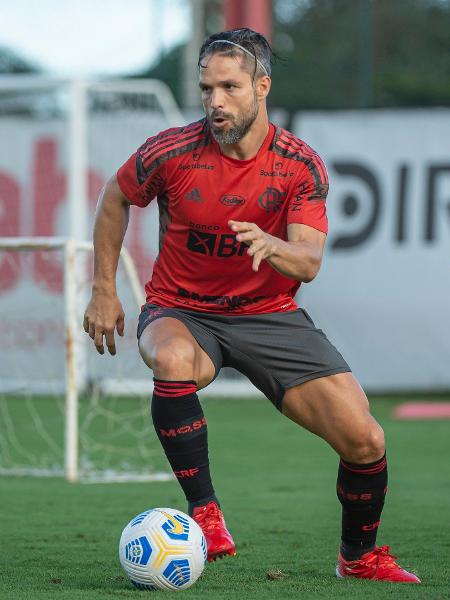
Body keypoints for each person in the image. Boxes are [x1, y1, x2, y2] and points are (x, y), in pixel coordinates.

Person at [83, 28, 420, 583]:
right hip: (182, 311)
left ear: (262, 86)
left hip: (268, 316)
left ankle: (358, 558)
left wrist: (274, 246)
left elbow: (308, 262)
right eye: (206, 88)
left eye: (230, 87)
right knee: (169, 360)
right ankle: (206, 514)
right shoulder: (170, 151)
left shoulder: (298, 165)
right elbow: (115, 197)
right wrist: (102, 288)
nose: (215, 101)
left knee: (366, 440)